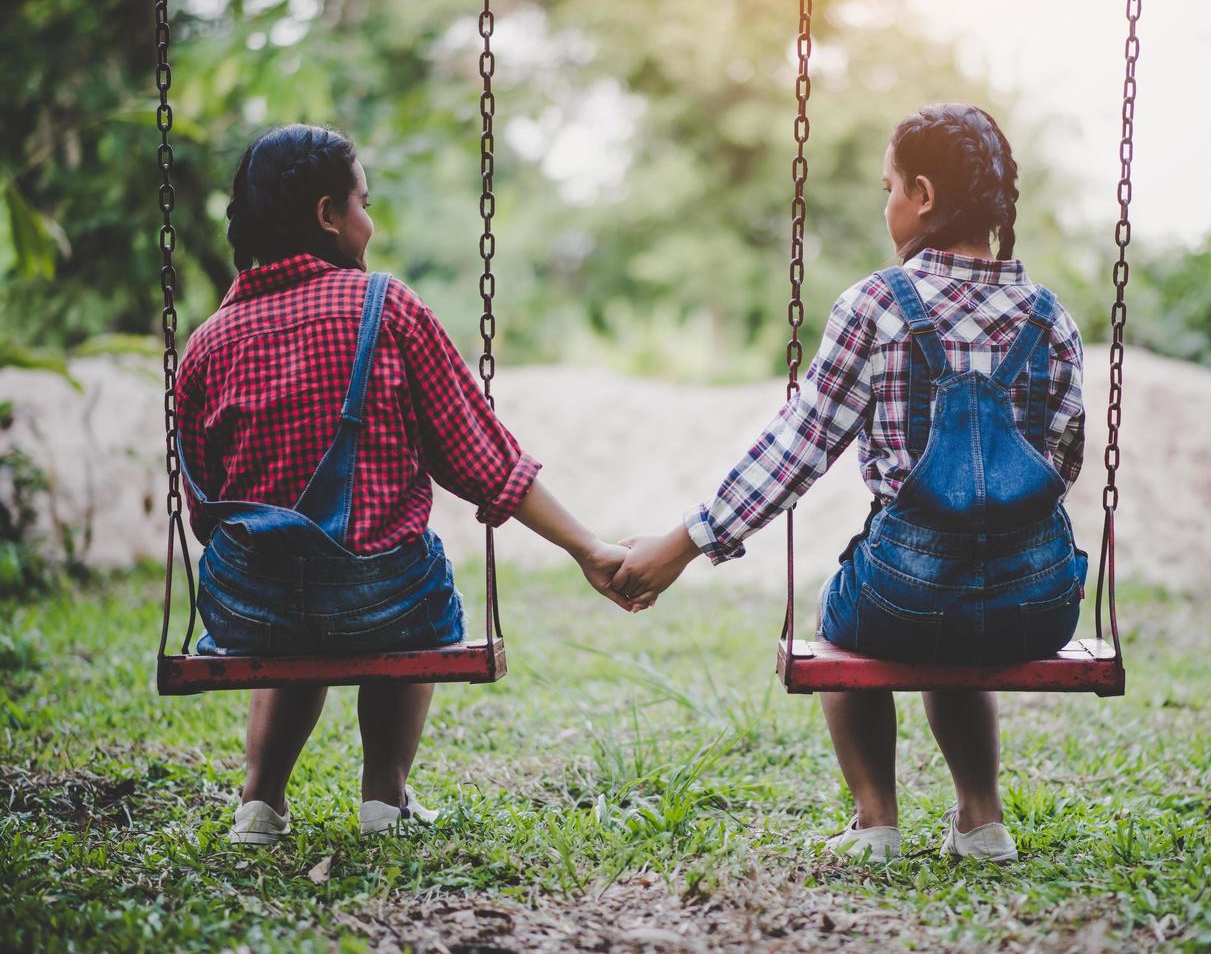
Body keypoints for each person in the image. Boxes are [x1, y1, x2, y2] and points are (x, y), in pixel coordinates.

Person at [612, 104, 1087, 863]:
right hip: (1035, 601)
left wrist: (678, 547)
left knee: (846, 627)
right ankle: (982, 818)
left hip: (905, 592)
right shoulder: (1049, 317)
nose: (887, 203)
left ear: (923, 195)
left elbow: (796, 449)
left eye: (889, 186)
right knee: (963, 622)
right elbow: (1062, 460)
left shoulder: (877, 305)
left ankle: (876, 823)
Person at [176, 124, 633, 844]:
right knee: (403, 571)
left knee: (292, 587)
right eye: (363, 202)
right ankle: (383, 799)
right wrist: (588, 548)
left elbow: (204, 506)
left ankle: (259, 804)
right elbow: (483, 463)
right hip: (380, 602)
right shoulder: (386, 308)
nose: (371, 221)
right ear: (328, 215)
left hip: (251, 611)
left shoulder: (205, 342)